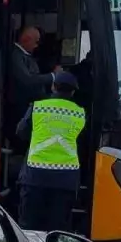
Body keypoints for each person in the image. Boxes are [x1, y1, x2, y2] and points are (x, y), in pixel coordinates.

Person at [15, 70, 87, 232]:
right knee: (58, 227)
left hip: (35, 176)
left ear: (53, 87)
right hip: (66, 179)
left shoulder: (37, 107)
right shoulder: (79, 113)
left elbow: (21, 132)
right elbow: (80, 141)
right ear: (73, 91)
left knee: (29, 225)